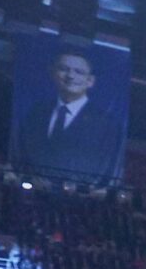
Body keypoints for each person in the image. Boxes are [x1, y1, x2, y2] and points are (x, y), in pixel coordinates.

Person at [15, 43, 125, 184]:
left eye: (79, 72)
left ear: (90, 81)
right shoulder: (36, 113)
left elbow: (107, 166)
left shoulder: (107, 123)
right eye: (64, 69)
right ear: (53, 73)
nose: (70, 76)